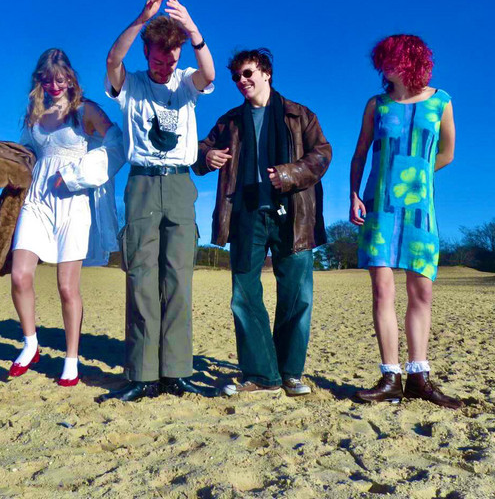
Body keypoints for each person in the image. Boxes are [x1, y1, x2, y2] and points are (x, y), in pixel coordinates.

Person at [98, 0, 215, 402]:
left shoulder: (186, 82)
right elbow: (113, 60)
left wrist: (194, 31)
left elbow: (209, 74)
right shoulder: (129, 85)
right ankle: (142, 374)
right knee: (141, 278)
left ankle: (176, 372)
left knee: (179, 279)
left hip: (181, 185)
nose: (166, 66)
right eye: (159, 58)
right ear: (146, 53)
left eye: (173, 59)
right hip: (143, 184)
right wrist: (141, 19)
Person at [194, 48, 331, 396]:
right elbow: (197, 152)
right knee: (244, 295)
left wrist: (287, 174)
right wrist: (207, 155)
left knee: (297, 295)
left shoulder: (300, 115)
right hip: (245, 214)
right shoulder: (229, 121)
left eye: (248, 73)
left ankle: (290, 373)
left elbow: (321, 156)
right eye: (236, 76)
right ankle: (261, 375)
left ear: (266, 73)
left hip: (294, 214)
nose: (241, 81)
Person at [349, 34, 462, 409]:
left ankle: (418, 377)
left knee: (421, 291)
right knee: (382, 291)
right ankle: (390, 378)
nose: (384, 66)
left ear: (412, 60)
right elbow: (360, 153)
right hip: (379, 205)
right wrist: (354, 194)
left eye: (391, 59)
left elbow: (447, 152)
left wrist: (417, 174)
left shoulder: (441, 101)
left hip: (419, 208)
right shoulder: (377, 105)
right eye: (382, 60)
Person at [10, 48, 124, 386]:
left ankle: (71, 358)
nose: (54, 86)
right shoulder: (34, 115)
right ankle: (31, 344)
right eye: (47, 80)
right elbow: (25, 155)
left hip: (73, 205)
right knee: (19, 276)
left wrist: (76, 174)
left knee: (66, 287)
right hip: (36, 202)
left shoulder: (85, 111)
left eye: (60, 79)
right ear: (39, 81)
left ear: (71, 78)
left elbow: (117, 145)